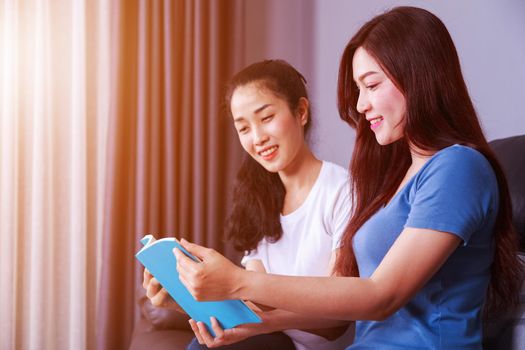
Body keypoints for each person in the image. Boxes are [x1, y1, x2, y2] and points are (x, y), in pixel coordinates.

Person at [173, 6, 523, 349]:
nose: (359, 105)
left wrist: (239, 282)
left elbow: (381, 295)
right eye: (358, 89)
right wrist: (254, 321)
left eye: (371, 85)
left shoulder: (459, 166)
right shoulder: (396, 177)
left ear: (417, 76)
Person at [143, 59, 355, 349]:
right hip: (280, 341)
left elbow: (339, 316)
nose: (257, 138)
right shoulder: (260, 198)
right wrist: (181, 301)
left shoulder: (342, 190)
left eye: (266, 118)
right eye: (243, 128)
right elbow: (255, 305)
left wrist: (264, 323)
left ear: (301, 112)